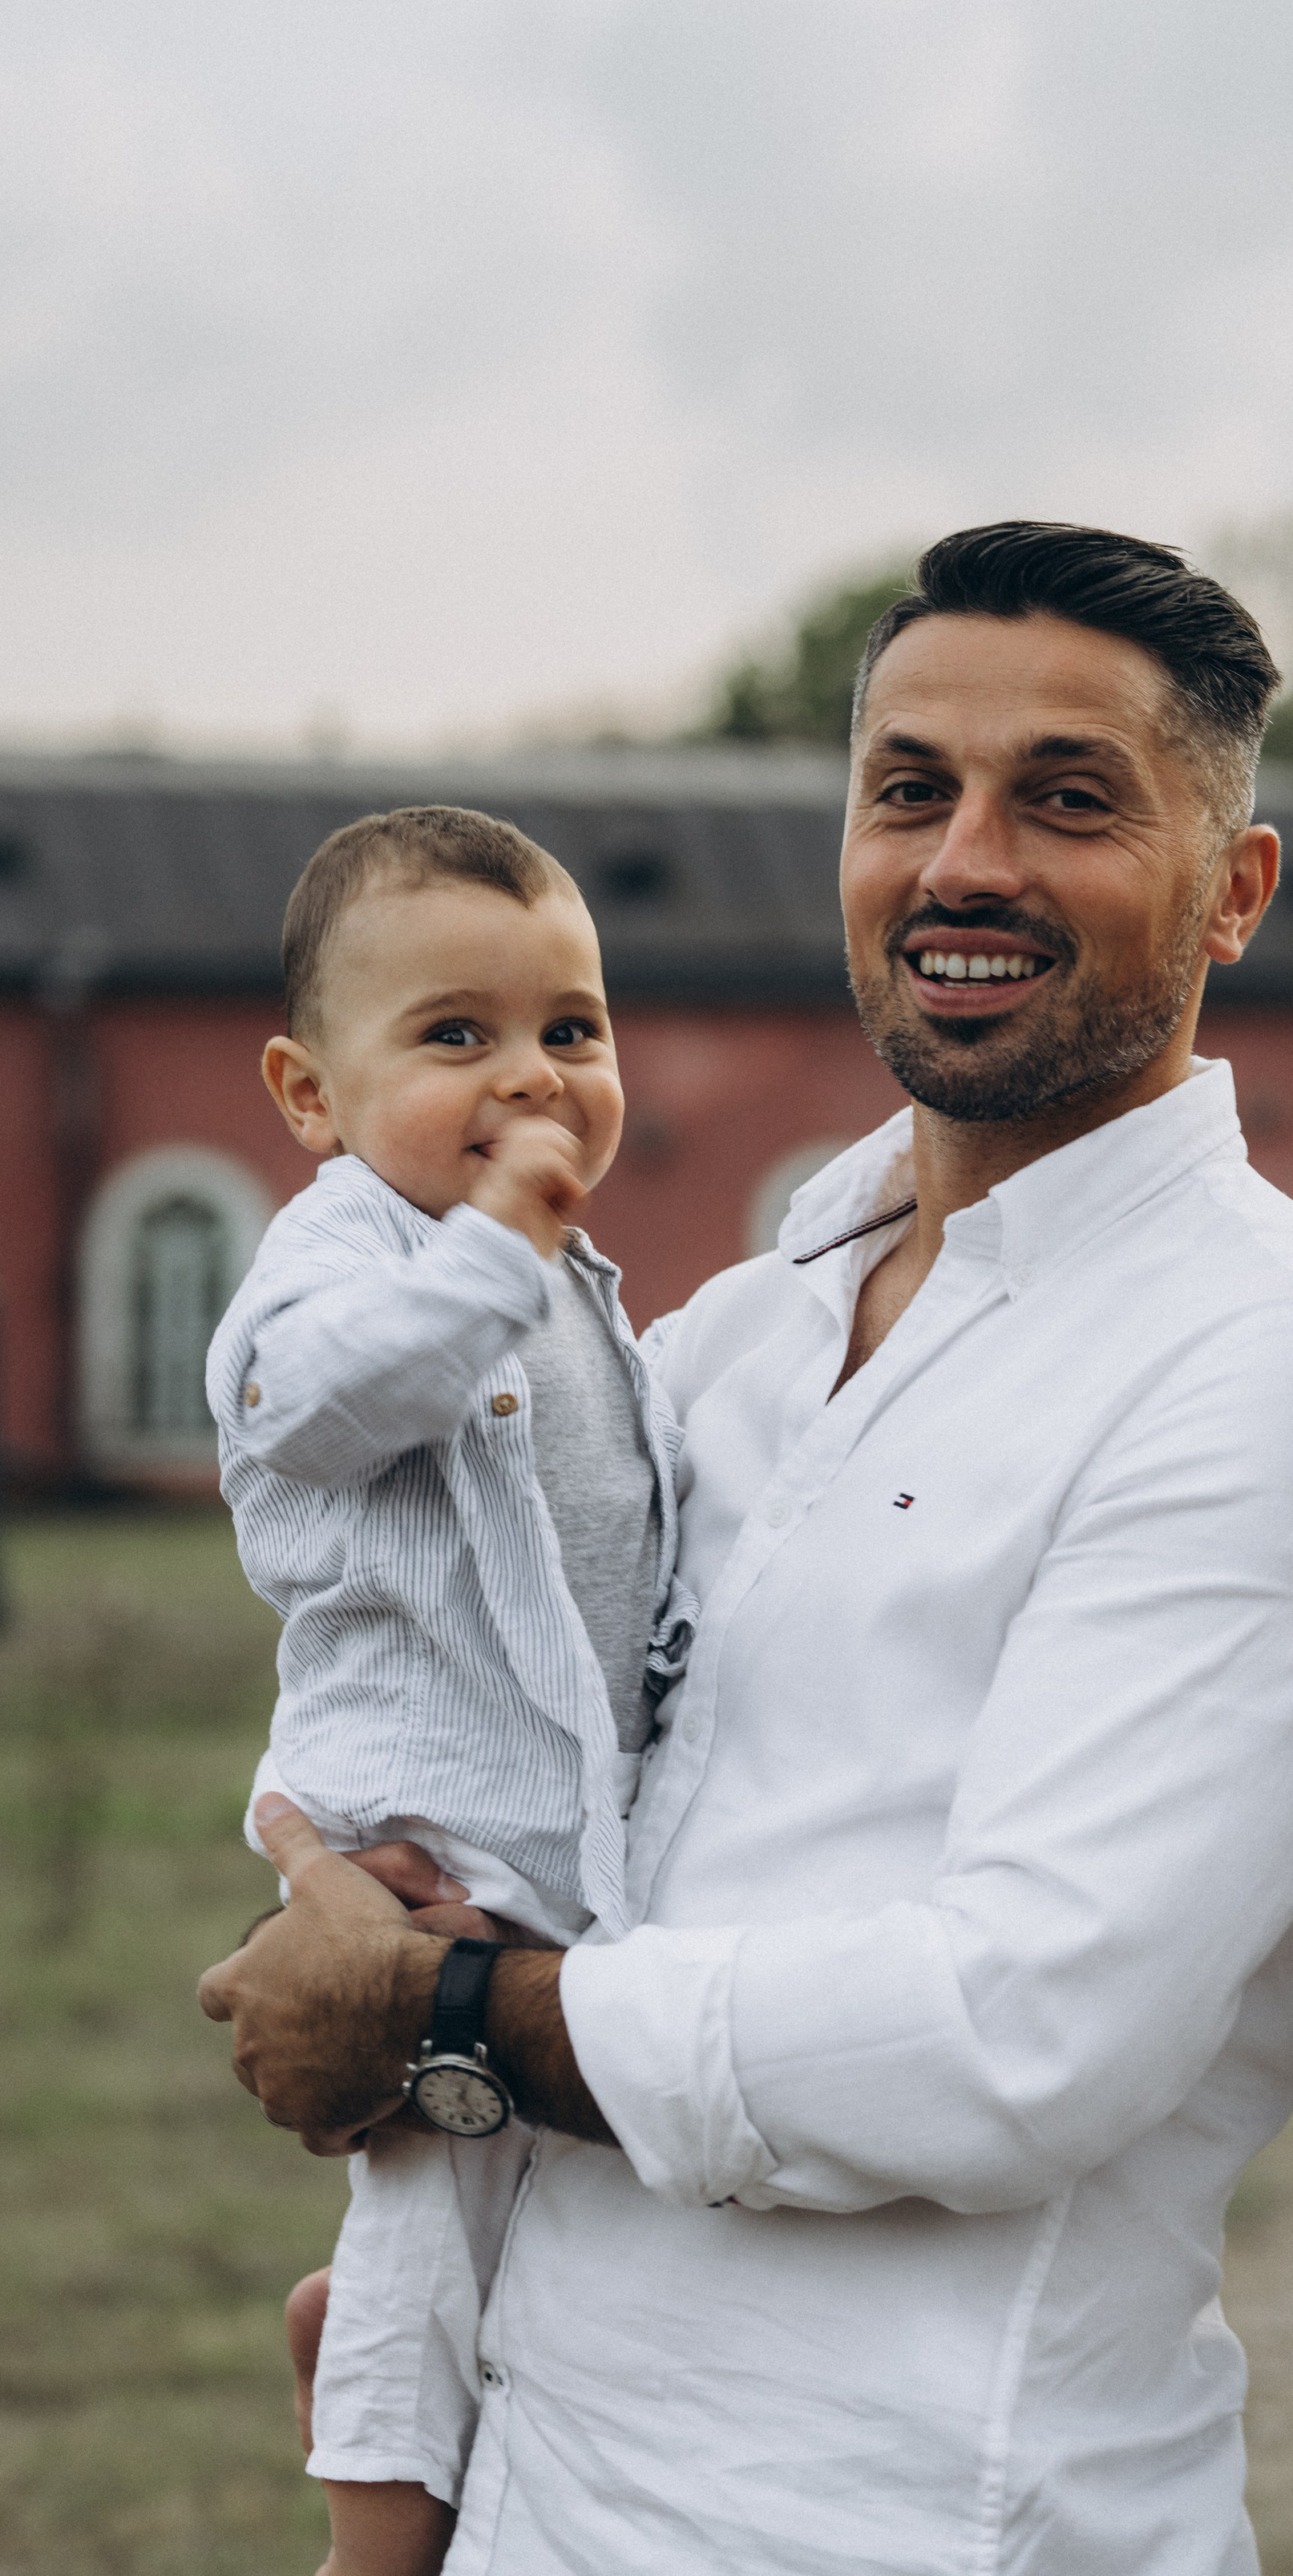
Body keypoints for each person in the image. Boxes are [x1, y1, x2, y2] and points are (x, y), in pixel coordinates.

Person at [200, 521, 1293, 2576]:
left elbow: (1013, 2037)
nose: (963, 863)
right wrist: (328, 1858)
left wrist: (433, 2014)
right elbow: (484, 1661)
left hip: (897, 2519)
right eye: (907, 793)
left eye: (1065, 800)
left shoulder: (1267, 1368)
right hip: (540, 2478)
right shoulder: (738, 1323)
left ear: (1233, 888)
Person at [207, 804, 687, 2576]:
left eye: (572, 1029)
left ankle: (385, 2379)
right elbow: (320, 1404)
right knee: (430, 2182)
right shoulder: (347, 1257)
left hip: (542, 1824)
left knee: (535, 2198)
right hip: (418, 1821)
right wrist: (491, 1247)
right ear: (309, 1096)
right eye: (454, 1036)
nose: (532, 1075)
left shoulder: (576, 1285)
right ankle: (376, 2534)